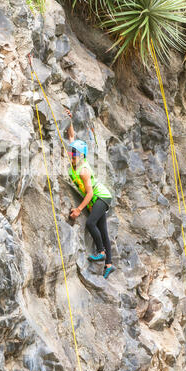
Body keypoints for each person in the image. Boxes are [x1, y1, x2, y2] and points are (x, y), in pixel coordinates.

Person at [65, 109, 115, 279]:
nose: (72, 154)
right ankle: (109, 264)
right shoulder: (74, 161)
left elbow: (89, 193)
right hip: (97, 199)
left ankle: (101, 252)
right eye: (72, 152)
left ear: (81, 155)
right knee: (103, 230)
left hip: (101, 197)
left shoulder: (83, 170)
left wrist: (78, 210)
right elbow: (72, 137)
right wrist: (69, 119)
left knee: (91, 223)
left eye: (75, 153)